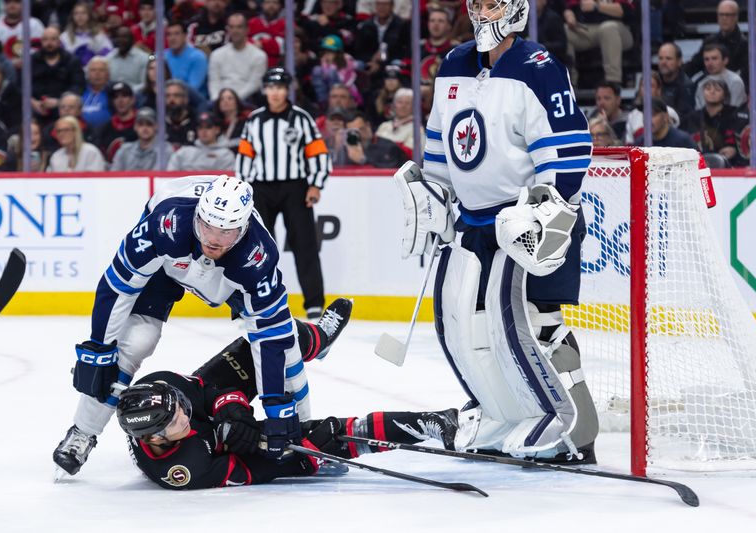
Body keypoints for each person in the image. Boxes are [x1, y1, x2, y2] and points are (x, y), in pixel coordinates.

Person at [51, 172, 352, 476]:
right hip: (167, 264)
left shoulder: (256, 254)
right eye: (207, 225)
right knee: (136, 340)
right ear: (197, 215)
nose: (212, 239)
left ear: (244, 228)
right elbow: (117, 286)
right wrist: (99, 348)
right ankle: (82, 433)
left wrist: (277, 409)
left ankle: (304, 441)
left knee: (285, 346)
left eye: (225, 232)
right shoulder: (166, 224)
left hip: (227, 275)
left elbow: (270, 335)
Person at [406, 0, 599, 463]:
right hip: (473, 223)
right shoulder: (453, 64)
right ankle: (501, 412)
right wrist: (433, 195)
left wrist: (547, 209)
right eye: (476, 3)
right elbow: (439, 145)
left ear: (515, 9)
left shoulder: (538, 67)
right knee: (467, 325)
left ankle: (577, 427)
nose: (482, 13)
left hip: (526, 220)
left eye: (492, 3)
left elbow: (570, 148)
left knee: (537, 327)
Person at [115, 337, 458, 490]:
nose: (184, 415)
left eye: (180, 408)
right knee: (321, 438)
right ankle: (433, 422)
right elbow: (251, 470)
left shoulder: (161, 388)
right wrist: (295, 457)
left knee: (262, 341)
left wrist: (232, 410)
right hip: (222, 450)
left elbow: (207, 393)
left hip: (216, 416)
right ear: (155, 438)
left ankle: (316, 338)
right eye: (177, 420)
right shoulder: (184, 469)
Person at [235, 68, 329, 320]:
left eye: (280, 87)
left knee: (305, 244)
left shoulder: (301, 119)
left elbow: (318, 153)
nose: (275, 92)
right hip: (261, 189)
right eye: (270, 87)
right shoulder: (254, 120)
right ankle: (256, 299)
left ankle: (314, 302)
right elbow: (245, 158)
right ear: (265, 90)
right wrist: (243, 190)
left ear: (287, 90)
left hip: (295, 187)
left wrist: (316, 184)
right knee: (257, 247)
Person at [563, 0, 635, 85]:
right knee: (564, 31)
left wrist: (597, 6)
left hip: (619, 28)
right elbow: (568, 7)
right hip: (588, 28)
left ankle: (613, 82)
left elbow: (625, 10)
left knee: (607, 28)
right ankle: (570, 82)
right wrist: (570, 16)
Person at [31, 27, 86, 126]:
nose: (49, 43)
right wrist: (33, 102)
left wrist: (60, 102)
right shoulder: (32, 61)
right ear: (41, 42)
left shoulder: (72, 61)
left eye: (53, 39)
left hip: (65, 111)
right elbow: (21, 86)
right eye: (46, 40)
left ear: (59, 41)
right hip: (36, 110)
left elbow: (78, 86)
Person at [207, 13, 268, 102]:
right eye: (231, 27)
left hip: (245, 100)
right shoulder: (216, 54)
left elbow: (254, 84)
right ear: (227, 30)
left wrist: (233, 101)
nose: (235, 30)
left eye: (239, 27)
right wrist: (217, 100)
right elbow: (214, 82)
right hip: (220, 100)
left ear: (247, 29)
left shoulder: (259, 56)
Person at [684, 1, 748, 83]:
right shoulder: (710, 41)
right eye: (721, 15)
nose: (724, 18)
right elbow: (695, 65)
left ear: (736, 17)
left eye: (728, 15)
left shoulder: (744, 44)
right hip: (708, 85)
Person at [166, 111, 236, 171]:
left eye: (208, 127)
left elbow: (227, 181)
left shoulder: (226, 155)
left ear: (217, 130)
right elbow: (170, 175)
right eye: (200, 127)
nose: (204, 131)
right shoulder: (184, 151)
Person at [341, 110, 408, 167]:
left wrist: (364, 160)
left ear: (368, 126)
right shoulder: (342, 149)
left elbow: (391, 173)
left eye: (360, 129)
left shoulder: (388, 148)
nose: (357, 135)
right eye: (351, 132)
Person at [373, 87, 424, 159]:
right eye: (400, 102)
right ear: (394, 105)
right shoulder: (384, 126)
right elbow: (373, 149)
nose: (403, 106)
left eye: (408, 103)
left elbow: (410, 154)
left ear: (414, 107)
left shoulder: (417, 129)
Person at [93, 82, 138, 162]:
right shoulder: (105, 129)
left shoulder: (143, 124)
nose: (120, 101)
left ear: (132, 99)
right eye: (116, 97)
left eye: (124, 96)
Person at [60, 1, 114, 67]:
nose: (80, 16)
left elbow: (110, 55)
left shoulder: (99, 36)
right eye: (76, 13)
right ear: (72, 17)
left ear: (89, 15)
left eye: (83, 13)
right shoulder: (64, 37)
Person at [694, 44, 746, 110]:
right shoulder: (701, 83)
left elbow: (734, 110)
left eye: (714, 58)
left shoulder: (735, 81)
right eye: (706, 59)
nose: (710, 63)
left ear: (725, 60)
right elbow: (699, 111)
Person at [165, 21, 209, 99]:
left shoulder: (198, 57)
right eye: (169, 34)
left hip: (192, 101)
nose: (172, 38)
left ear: (185, 36)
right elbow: (150, 58)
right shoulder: (161, 55)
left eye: (176, 34)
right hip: (166, 99)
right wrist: (150, 56)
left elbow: (193, 88)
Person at [633, 97, 697, 150]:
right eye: (645, 115)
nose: (648, 120)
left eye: (653, 115)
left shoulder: (682, 141)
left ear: (666, 116)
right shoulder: (640, 143)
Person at [657, 42, 696, 122]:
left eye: (668, 58)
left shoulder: (687, 86)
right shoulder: (653, 81)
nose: (663, 62)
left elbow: (683, 118)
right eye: (661, 58)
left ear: (679, 61)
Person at [107, 27, 150, 93]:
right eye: (118, 37)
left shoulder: (144, 58)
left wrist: (126, 92)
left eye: (125, 37)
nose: (121, 40)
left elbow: (144, 84)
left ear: (132, 40)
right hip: (112, 96)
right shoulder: (108, 58)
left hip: (136, 96)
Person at [213, 87, 246, 153]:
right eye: (222, 99)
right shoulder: (214, 123)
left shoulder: (245, 123)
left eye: (230, 98)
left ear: (236, 102)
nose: (225, 101)